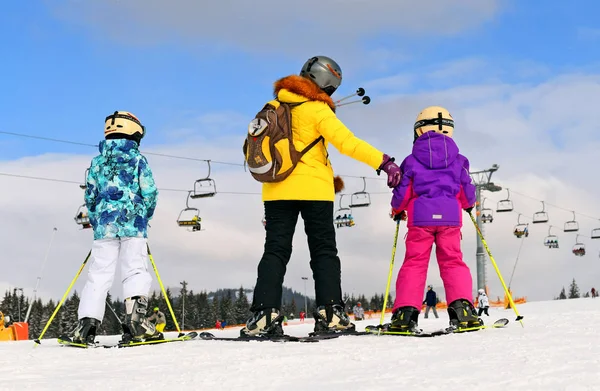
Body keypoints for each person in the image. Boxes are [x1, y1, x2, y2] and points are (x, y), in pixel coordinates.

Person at [241, 55, 402, 338]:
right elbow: (347, 143)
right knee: (324, 251)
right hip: (315, 189)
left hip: (276, 190)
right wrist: (383, 161)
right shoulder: (317, 110)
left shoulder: (273, 106)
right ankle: (330, 314)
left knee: (275, 251)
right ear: (326, 83)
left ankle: (264, 315)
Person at [67, 111, 160, 345]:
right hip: (133, 225)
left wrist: (98, 218)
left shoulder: (97, 162)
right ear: (134, 132)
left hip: (104, 228)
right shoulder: (138, 159)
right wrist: (144, 215)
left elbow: (90, 195)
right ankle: (136, 323)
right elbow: (149, 192)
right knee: (135, 269)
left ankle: (86, 326)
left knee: (98, 274)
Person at [388, 106, 481, 333]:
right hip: (450, 219)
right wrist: (468, 205)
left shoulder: (411, 161)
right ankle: (463, 310)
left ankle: (405, 314)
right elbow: (467, 190)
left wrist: (396, 209)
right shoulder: (459, 160)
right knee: (452, 260)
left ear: (419, 130)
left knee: (415, 263)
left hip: (420, 220)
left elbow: (403, 191)